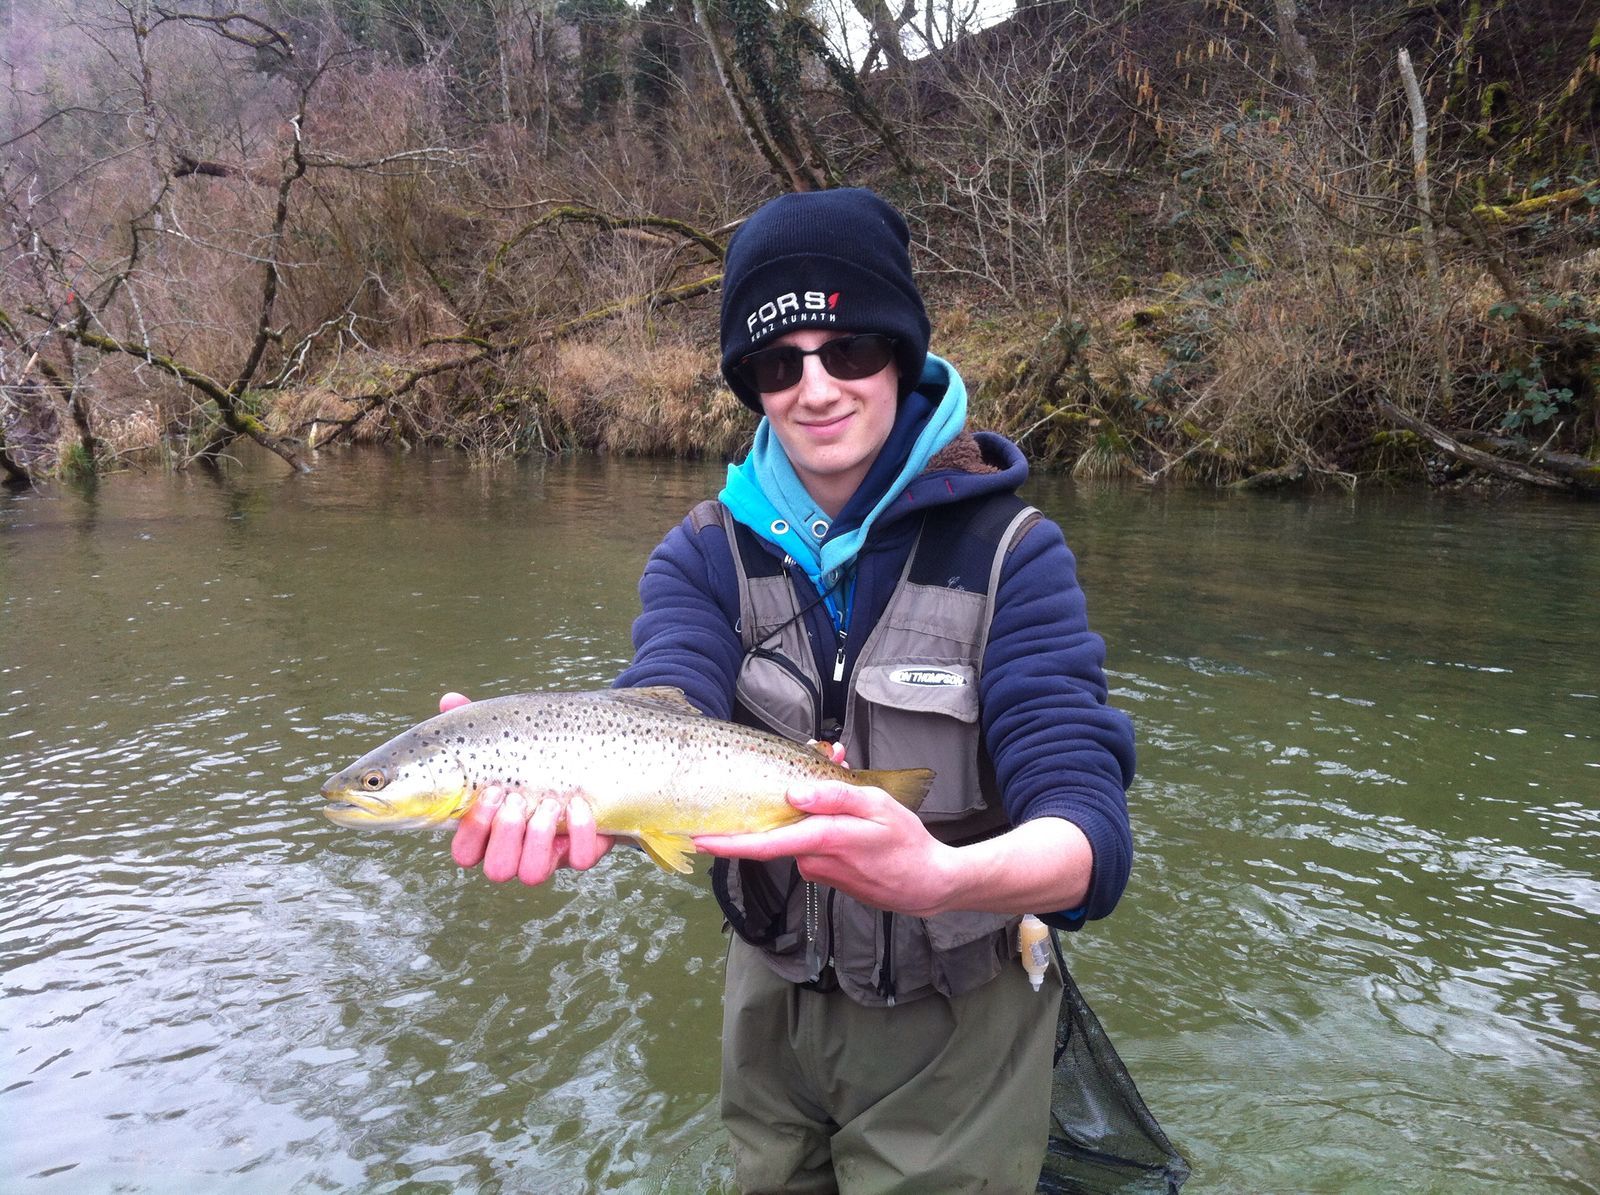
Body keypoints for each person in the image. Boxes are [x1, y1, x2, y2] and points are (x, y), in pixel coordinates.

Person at [448, 188, 1135, 1194]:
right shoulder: (701, 553)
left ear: (899, 353)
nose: (815, 389)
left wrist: (941, 878)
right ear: (753, 384)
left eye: (848, 349)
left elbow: (1092, 832)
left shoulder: (1012, 557)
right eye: (778, 363)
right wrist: (549, 761)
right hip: (765, 1004)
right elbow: (662, 700)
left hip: (958, 1026)